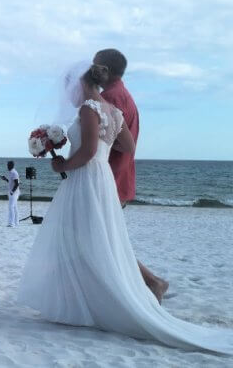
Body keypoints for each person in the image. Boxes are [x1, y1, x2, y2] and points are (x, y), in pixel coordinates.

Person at [17, 62, 233, 354]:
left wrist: (62, 164)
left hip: (85, 178)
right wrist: (106, 141)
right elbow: (128, 146)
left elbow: (88, 152)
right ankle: (90, 296)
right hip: (101, 178)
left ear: (81, 83)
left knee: (83, 238)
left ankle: (106, 297)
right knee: (94, 238)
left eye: (69, 88)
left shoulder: (89, 109)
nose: (67, 95)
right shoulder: (114, 112)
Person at [95, 48, 169, 302]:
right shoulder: (123, 95)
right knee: (106, 239)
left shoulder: (111, 98)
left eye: (95, 65)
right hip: (121, 175)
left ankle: (152, 282)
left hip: (111, 178)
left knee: (107, 241)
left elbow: (118, 141)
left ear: (104, 70)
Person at [0, 161, 20, 227]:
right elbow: (11, 182)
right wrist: (5, 179)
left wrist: (12, 192)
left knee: (11, 207)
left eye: (8, 165)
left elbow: (17, 184)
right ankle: (16, 223)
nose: (7, 166)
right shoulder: (11, 172)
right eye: (7, 165)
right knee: (14, 207)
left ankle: (11, 223)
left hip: (14, 193)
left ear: (11, 165)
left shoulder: (14, 173)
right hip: (11, 192)